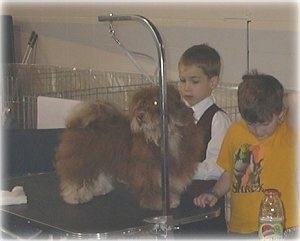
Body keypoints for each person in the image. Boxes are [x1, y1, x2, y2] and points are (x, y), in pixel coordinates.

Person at [193, 71, 299, 237]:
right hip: (241, 227)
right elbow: (230, 173)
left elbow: (295, 99)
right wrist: (214, 193)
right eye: (251, 124)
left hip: (282, 225)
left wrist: (274, 101)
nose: (258, 130)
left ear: (280, 114)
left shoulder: (288, 130)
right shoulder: (236, 131)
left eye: (264, 123)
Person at [176, 44, 232, 236]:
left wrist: (180, 171)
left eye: (194, 81)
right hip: (178, 203)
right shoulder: (178, 117)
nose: (186, 87)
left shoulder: (218, 120)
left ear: (213, 82)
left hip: (206, 206)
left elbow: (219, 166)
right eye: (182, 80)